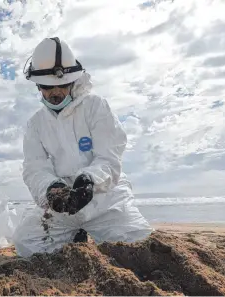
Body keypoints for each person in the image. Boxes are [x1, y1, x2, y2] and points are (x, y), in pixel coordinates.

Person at [12, 37, 153, 257]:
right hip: (62, 202)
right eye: (48, 87)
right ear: (38, 85)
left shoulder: (95, 106)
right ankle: (75, 235)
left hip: (104, 198)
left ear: (73, 81)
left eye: (62, 84)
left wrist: (89, 180)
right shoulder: (36, 124)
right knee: (26, 244)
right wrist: (51, 189)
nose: (55, 92)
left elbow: (109, 156)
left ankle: (90, 231)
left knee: (140, 248)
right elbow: (34, 168)